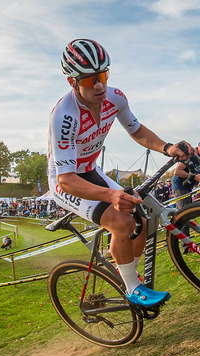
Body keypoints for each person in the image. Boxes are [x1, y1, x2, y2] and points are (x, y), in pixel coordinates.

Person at [48, 38, 195, 308]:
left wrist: (167, 147)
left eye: (103, 75)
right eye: (91, 80)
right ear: (73, 82)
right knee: (123, 222)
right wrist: (112, 195)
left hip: (91, 169)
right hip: (67, 181)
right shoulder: (64, 116)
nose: (100, 85)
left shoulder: (114, 98)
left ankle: (127, 272)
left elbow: (136, 130)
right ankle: (131, 287)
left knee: (143, 217)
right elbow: (65, 180)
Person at [171, 143, 200, 253]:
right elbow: (177, 171)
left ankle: (188, 243)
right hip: (179, 187)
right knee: (185, 216)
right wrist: (194, 176)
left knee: (190, 215)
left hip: (188, 188)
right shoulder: (192, 154)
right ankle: (186, 246)